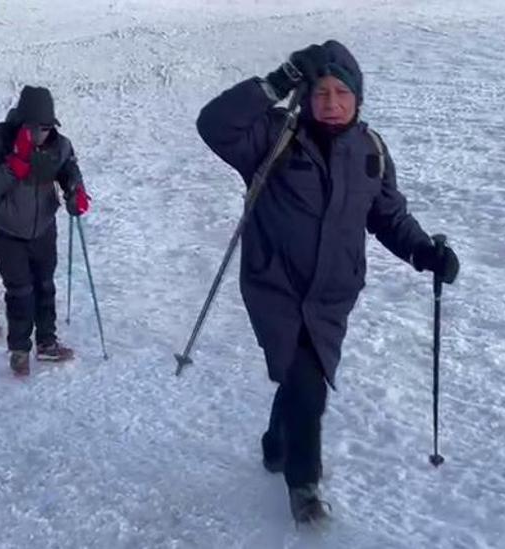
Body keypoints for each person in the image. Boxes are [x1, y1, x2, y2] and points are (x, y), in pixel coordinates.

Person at [195, 40, 460, 523]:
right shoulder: (273, 137)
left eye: (342, 92)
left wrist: (425, 252)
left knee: (302, 381)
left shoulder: (370, 151)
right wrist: (276, 81)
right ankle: (305, 485)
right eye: (320, 92)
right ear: (305, 95)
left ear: (358, 98)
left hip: (332, 295)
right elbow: (213, 125)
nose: (331, 103)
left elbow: (387, 216)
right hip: (274, 285)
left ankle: (276, 444)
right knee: (307, 383)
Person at [0, 85, 90, 376]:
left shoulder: (59, 144)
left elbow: (69, 168)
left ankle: (47, 343)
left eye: (45, 127)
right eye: (34, 127)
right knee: (20, 290)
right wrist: (17, 161)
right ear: (21, 122)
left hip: (43, 227)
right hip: (6, 230)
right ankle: (19, 349)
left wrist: (75, 190)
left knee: (44, 285)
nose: (40, 133)